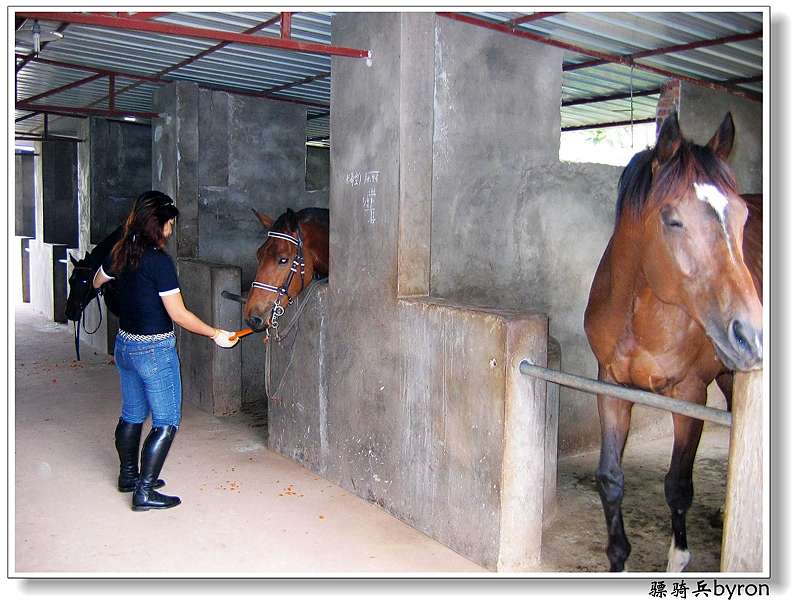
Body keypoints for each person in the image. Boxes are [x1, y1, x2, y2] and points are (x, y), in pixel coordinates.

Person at [93, 191, 239, 511]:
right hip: (154, 351)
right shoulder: (158, 261)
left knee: (132, 414)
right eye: (171, 223)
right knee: (166, 421)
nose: (172, 230)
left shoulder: (121, 252)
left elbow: (96, 281)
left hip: (125, 345)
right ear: (159, 224)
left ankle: (129, 476)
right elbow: (179, 315)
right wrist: (216, 333)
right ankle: (144, 491)